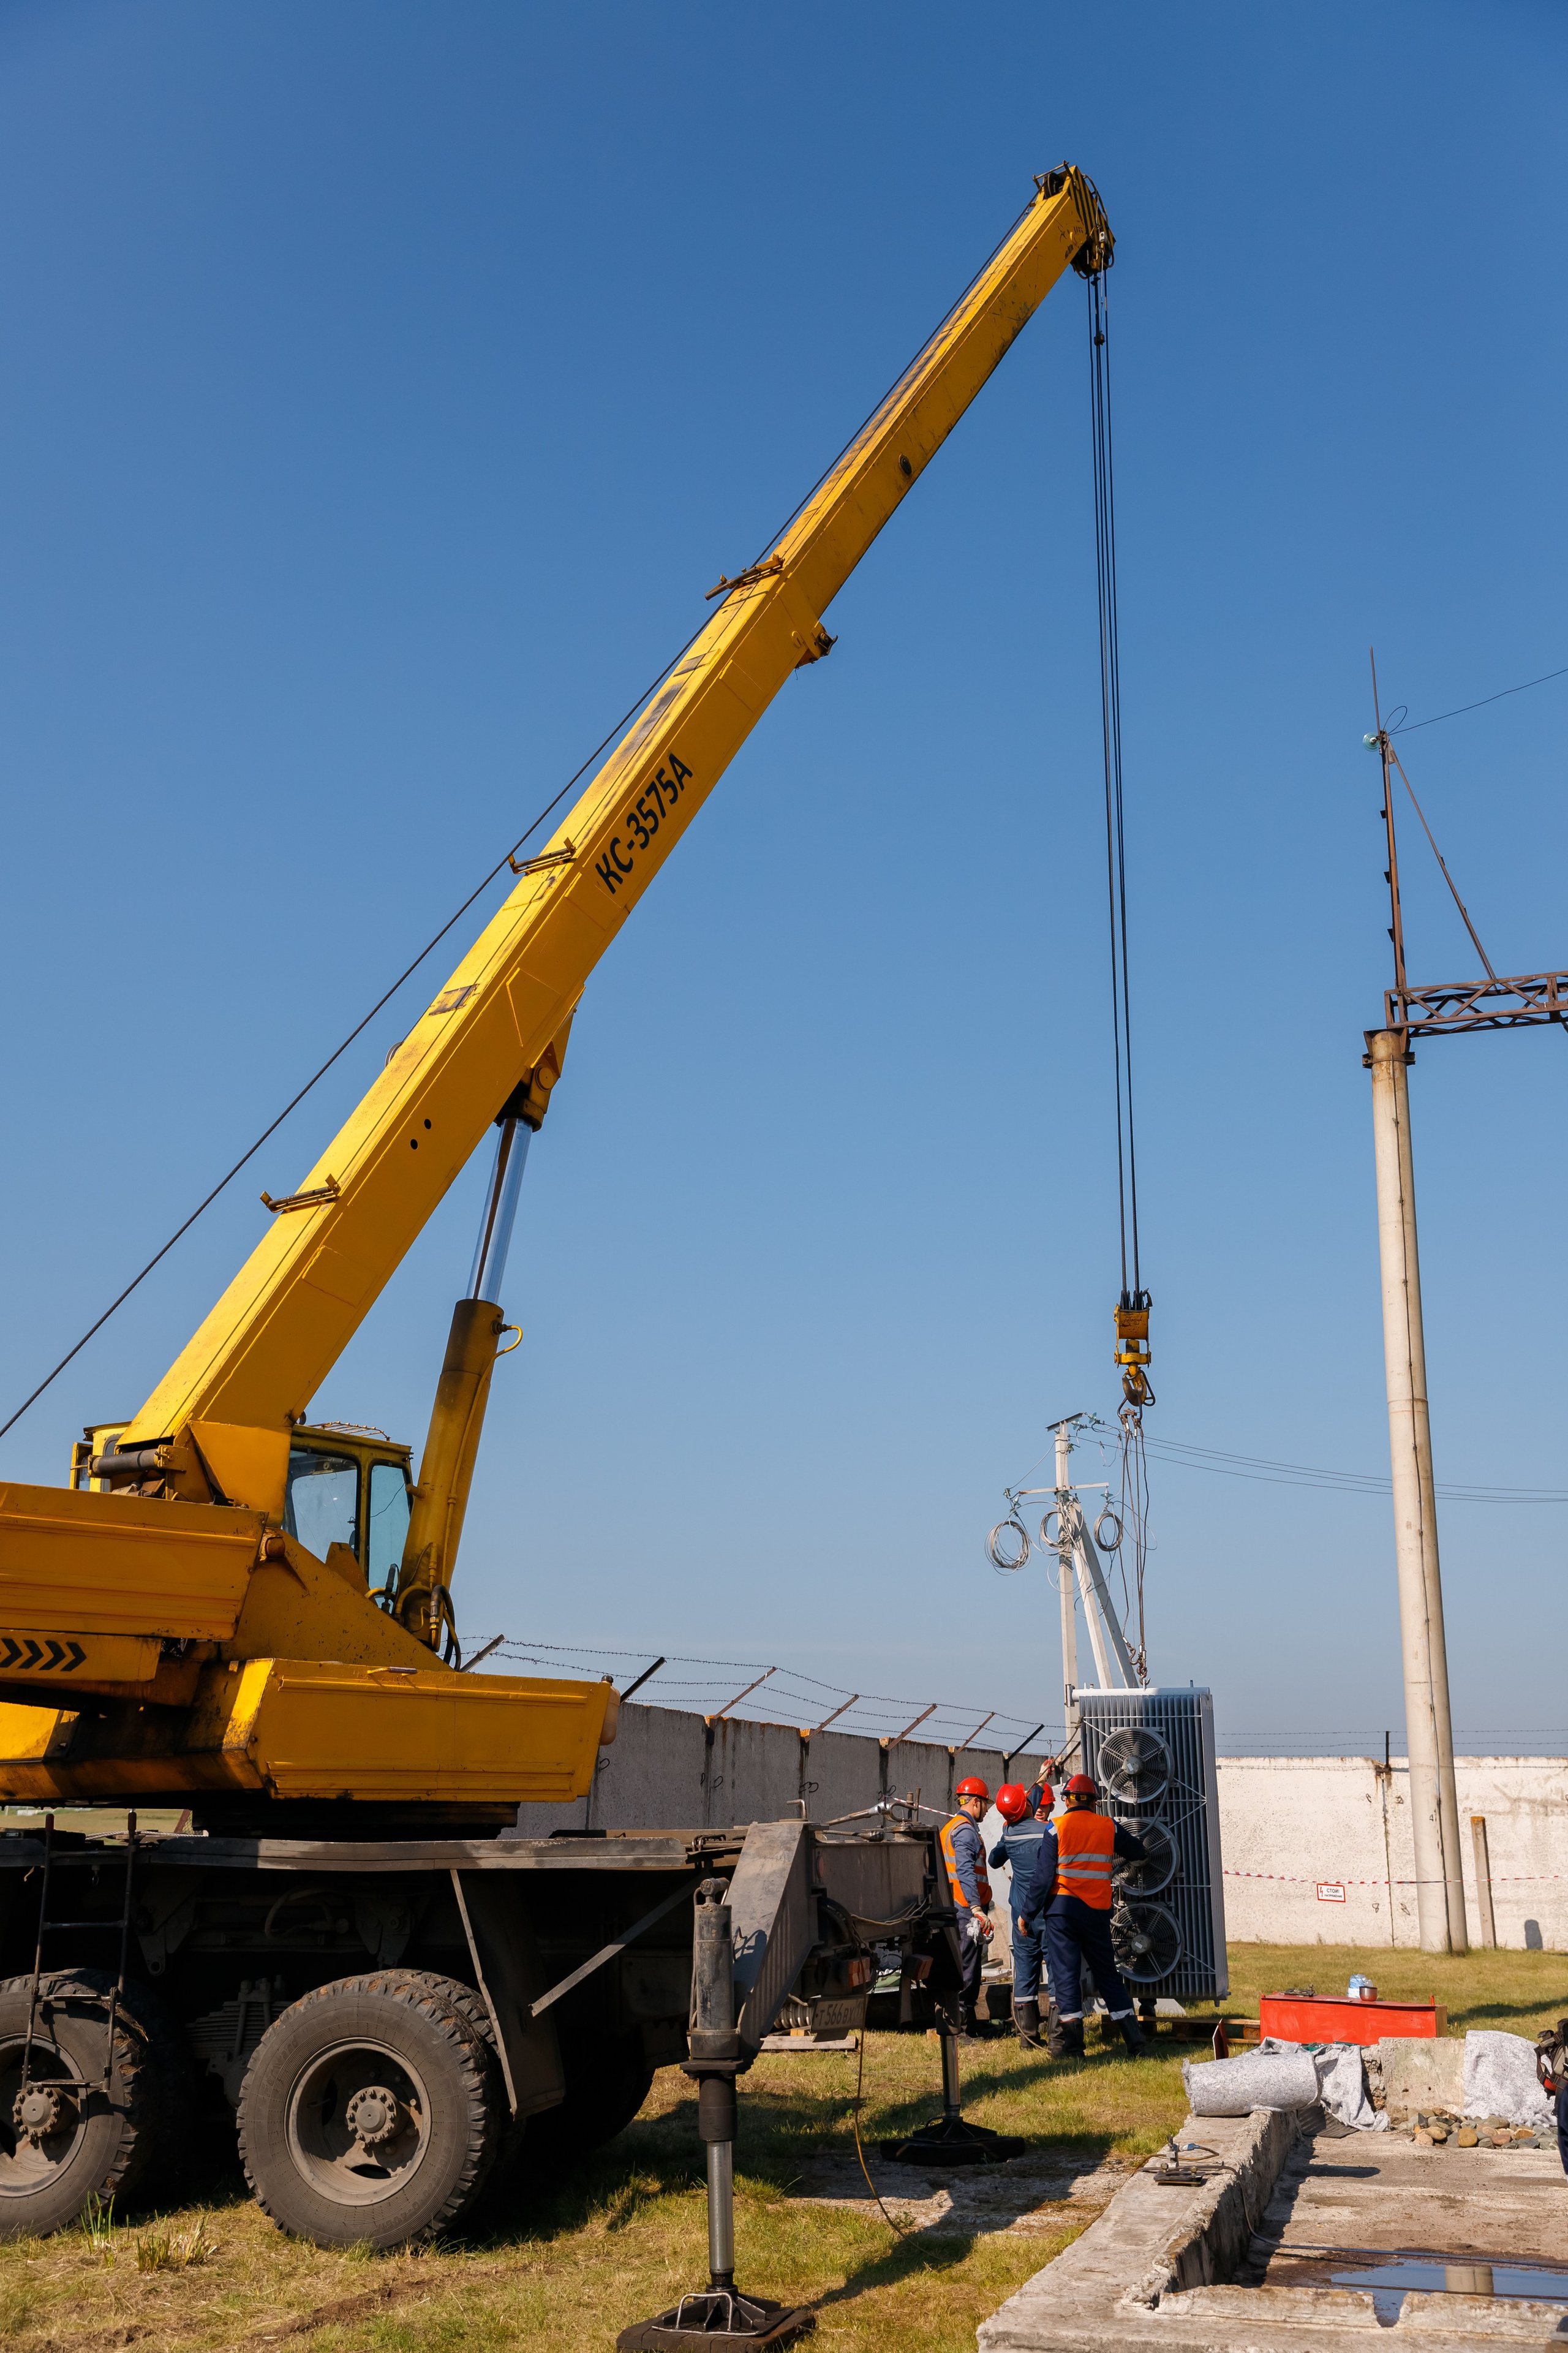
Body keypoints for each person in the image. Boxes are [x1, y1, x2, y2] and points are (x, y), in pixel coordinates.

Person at [1016, 1771, 1149, 2058]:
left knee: (1065, 1977)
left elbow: (1041, 1880)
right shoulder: (1108, 1827)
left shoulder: (1055, 1828)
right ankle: (1135, 2042)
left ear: (1067, 1801)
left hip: (1062, 1913)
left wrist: (1026, 1915)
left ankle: (1074, 2048)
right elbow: (1139, 1852)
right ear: (1093, 1801)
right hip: (1096, 1913)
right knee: (1107, 1975)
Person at [989, 1780, 1055, 2048]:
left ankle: (1027, 2038)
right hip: (1048, 1912)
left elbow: (994, 1861)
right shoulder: (1048, 1831)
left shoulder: (1009, 1833)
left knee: (1025, 1973)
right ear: (1029, 1806)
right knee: (1056, 1972)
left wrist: (1007, 1832)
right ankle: (1057, 2035)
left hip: (1020, 1915)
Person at [938, 1775, 994, 2038]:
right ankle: (959, 2027)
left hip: (957, 1905)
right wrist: (976, 1907)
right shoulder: (965, 1831)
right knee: (967, 1968)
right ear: (974, 1802)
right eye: (985, 1803)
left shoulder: (953, 1827)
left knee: (969, 1964)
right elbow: (965, 1871)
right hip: (963, 1907)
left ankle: (969, 2023)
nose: (987, 1808)